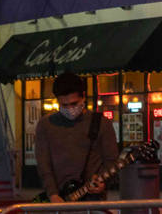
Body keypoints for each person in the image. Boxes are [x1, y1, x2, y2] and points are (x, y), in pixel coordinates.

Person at [33, 73, 118, 203]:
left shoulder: (101, 123)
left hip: (91, 200)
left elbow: (111, 160)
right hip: (58, 199)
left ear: (83, 96)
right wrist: (53, 194)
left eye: (74, 103)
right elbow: (44, 164)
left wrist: (104, 183)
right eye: (64, 105)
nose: (69, 109)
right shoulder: (46, 125)